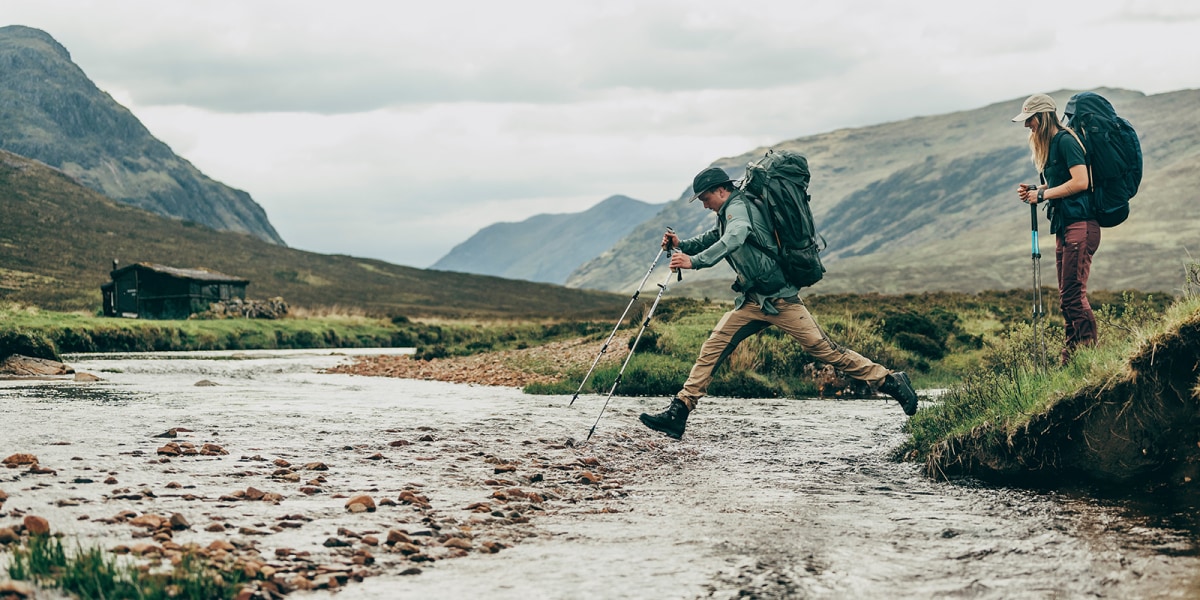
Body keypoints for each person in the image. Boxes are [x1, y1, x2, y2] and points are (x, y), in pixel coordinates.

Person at [638, 165, 919, 440]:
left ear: (721, 190)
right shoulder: (727, 211)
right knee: (714, 346)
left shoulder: (738, 209)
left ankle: (889, 381)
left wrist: (694, 262)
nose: (704, 205)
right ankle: (680, 411)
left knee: (826, 351)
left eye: (705, 198)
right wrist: (682, 244)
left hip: (781, 301)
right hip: (752, 302)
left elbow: (735, 237)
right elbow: (717, 236)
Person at [1012, 93, 1099, 365]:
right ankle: (1070, 361)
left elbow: (1081, 181)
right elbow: (1063, 183)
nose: (1028, 126)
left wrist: (1044, 196)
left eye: (1030, 120)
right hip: (1066, 225)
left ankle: (1088, 357)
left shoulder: (1064, 141)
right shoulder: (1053, 145)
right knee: (1066, 299)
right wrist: (1038, 189)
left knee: (1073, 297)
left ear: (1043, 116)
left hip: (1080, 225)